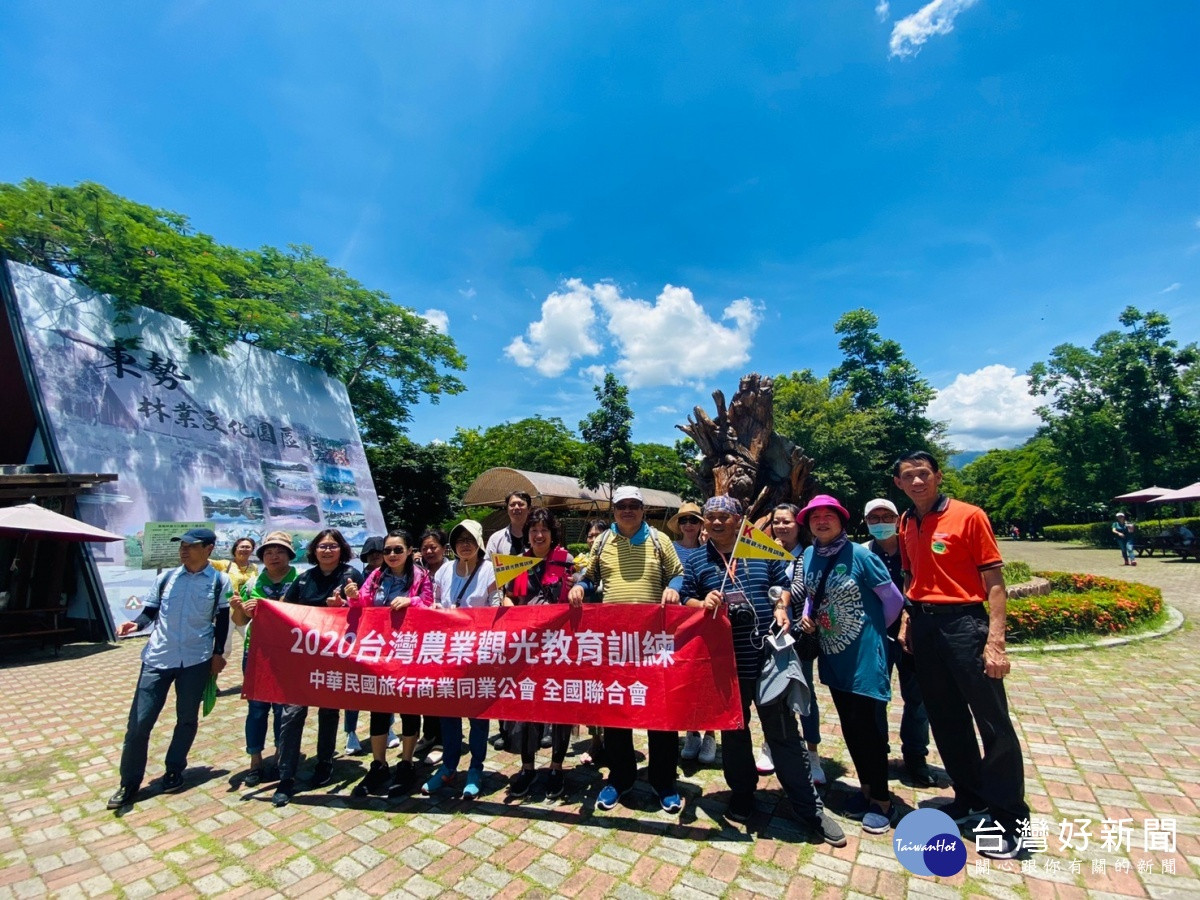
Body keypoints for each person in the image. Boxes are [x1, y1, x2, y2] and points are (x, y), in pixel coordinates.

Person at [682, 496, 845, 846]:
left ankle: (809, 807)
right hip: (725, 663)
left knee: (783, 732)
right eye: (710, 517)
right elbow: (686, 599)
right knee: (735, 733)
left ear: (739, 519)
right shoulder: (696, 560)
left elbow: (781, 588)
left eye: (724, 516)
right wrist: (702, 603)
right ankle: (742, 794)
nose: (716, 522)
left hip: (768, 658)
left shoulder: (760, 549)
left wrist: (781, 607)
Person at [893, 450, 1030, 859]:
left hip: (964, 625)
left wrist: (995, 641)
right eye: (908, 476)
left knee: (992, 722)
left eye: (924, 474)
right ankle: (970, 797)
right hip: (925, 626)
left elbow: (995, 583)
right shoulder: (906, 521)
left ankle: (1012, 821)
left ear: (938, 476)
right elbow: (911, 575)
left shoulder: (969, 516)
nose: (917, 482)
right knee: (946, 718)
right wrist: (907, 619)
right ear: (898, 483)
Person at [569, 486, 686, 815]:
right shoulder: (603, 541)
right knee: (617, 711)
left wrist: (673, 589)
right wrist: (580, 587)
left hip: (653, 642)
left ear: (643, 510)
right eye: (622, 506)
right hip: (615, 642)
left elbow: (677, 575)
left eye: (634, 505)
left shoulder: (660, 540)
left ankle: (664, 781)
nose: (628, 510)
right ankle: (620, 777)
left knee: (660, 712)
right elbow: (590, 576)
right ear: (614, 510)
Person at [797, 495, 904, 836]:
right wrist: (808, 616)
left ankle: (883, 801)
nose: (822, 521)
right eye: (815, 517)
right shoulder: (809, 555)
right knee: (851, 726)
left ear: (842, 520)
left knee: (869, 728)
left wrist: (871, 629)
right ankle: (866, 789)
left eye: (829, 515)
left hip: (863, 655)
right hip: (833, 654)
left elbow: (894, 601)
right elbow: (812, 594)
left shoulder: (861, 555)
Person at [107, 527, 232, 810]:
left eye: (191, 545)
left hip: (196, 659)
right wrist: (135, 624)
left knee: (186, 719)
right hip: (157, 658)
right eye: (182, 545)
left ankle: (174, 769)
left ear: (208, 549)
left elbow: (223, 620)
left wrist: (218, 654)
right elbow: (149, 612)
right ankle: (129, 783)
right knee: (139, 724)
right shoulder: (166, 578)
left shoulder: (219, 581)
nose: (184, 550)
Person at [335, 530, 434, 798]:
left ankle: (406, 763)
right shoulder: (376, 576)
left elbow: (430, 604)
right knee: (378, 706)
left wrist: (411, 601)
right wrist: (352, 596)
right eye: (387, 550)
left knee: (409, 707)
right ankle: (378, 764)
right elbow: (363, 604)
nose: (391, 555)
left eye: (397, 550)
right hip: (380, 651)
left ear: (409, 551)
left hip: (409, 652)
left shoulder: (421, 577)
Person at [271, 529, 364, 807]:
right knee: (292, 714)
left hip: (334, 657)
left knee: (329, 711)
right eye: (322, 546)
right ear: (314, 550)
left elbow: (364, 612)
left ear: (342, 549)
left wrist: (342, 606)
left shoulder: (351, 576)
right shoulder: (304, 579)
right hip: (303, 659)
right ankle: (286, 776)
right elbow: (285, 610)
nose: (327, 550)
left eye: (333, 546)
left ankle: (325, 762)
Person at [501, 507, 576, 799]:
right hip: (527, 646)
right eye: (534, 530)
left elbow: (578, 598)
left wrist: (576, 588)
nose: (539, 535)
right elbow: (509, 596)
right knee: (526, 705)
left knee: (559, 706)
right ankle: (528, 767)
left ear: (552, 533)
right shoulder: (517, 562)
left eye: (544, 529)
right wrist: (510, 607)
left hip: (559, 646)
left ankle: (556, 767)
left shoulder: (567, 561)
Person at [861, 498, 935, 788]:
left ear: (897, 519)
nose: (881, 522)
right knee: (875, 698)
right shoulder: (863, 552)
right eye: (874, 518)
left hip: (913, 635)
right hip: (876, 636)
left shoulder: (913, 546)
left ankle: (915, 756)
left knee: (917, 698)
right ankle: (877, 750)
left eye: (886, 516)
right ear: (866, 522)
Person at [426, 519, 498, 799]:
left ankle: (476, 768)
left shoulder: (490, 570)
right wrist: (435, 610)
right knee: (448, 713)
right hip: (447, 654)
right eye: (459, 540)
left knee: (478, 715)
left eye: (470, 539)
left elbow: (495, 608)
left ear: (479, 542)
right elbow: (436, 602)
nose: (465, 544)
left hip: (478, 654)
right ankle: (448, 766)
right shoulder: (444, 571)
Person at [229, 530, 298, 787]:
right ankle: (255, 761)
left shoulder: (300, 580)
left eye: (280, 551)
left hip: (288, 652)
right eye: (269, 552)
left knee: (283, 709)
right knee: (257, 709)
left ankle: (280, 757)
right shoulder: (252, 583)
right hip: (256, 651)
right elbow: (240, 621)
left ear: (289, 555)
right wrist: (239, 609)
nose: (274, 556)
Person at [765, 502, 824, 785]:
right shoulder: (762, 552)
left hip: (800, 634)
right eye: (776, 522)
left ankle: (812, 752)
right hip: (769, 633)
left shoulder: (808, 554)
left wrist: (777, 563)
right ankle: (770, 744)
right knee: (770, 691)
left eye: (786, 521)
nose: (781, 527)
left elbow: (799, 590)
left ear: (798, 525)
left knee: (804, 691)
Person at [669, 501, 717, 766]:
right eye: (684, 520)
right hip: (678, 622)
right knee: (686, 677)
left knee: (707, 677)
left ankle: (710, 733)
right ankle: (691, 730)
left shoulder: (710, 550)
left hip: (705, 620)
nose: (689, 525)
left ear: (701, 525)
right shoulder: (670, 548)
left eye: (693, 520)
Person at [344, 535, 391, 755]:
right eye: (371, 554)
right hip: (361, 638)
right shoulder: (357, 576)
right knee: (354, 687)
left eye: (379, 552)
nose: (375, 557)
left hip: (385, 639)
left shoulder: (393, 576)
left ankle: (389, 728)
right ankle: (350, 732)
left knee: (385, 687)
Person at [574, 518, 609, 766]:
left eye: (599, 534)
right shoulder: (581, 564)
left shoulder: (616, 559)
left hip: (613, 637)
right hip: (588, 638)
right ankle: (596, 741)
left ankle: (615, 741)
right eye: (590, 535)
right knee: (592, 691)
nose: (593, 539)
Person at [414, 528, 450, 762]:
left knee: (443, 689)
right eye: (425, 547)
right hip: (422, 638)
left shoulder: (452, 569)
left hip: (447, 637)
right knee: (425, 688)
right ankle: (429, 733)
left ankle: (443, 740)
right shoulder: (417, 572)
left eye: (433, 547)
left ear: (444, 548)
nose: (429, 551)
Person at [213, 536, 257, 657]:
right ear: (235, 549)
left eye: (248, 547)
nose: (244, 549)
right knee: (224, 648)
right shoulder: (224, 564)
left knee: (253, 642)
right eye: (242, 547)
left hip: (245, 611)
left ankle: (251, 667)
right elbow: (205, 561)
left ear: (252, 550)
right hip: (227, 611)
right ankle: (215, 668)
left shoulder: (254, 567)